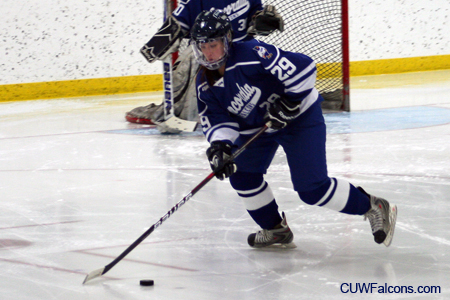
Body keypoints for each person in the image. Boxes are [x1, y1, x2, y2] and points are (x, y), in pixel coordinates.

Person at [191, 9, 398, 248]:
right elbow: (216, 119)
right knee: (242, 176)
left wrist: (291, 101)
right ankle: (275, 229)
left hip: (299, 118)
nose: (208, 52)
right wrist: (220, 147)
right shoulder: (204, 83)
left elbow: (304, 67)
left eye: (213, 45)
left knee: (312, 190)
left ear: (227, 40)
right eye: (203, 47)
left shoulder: (253, 53)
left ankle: (373, 206)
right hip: (258, 127)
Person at [126, 0, 284, 127]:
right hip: (214, 61)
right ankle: (194, 112)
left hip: (242, 58)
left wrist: (264, 20)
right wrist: (156, 45)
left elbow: (255, 22)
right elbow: (177, 23)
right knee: (192, 57)